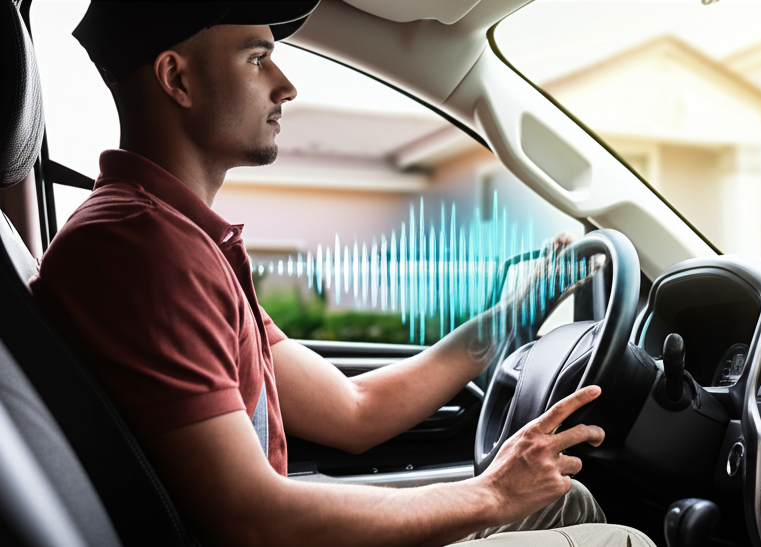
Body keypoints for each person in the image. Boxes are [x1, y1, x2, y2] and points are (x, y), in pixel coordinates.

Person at [29, 2, 655, 546]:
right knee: (622, 539)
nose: (285, 85)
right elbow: (252, 522)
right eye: (257, 58)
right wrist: (490, 494)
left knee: (561, 502)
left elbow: (354, 410)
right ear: (177, 78)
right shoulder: (142, 251)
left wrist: (517, 315)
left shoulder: (178, 239)